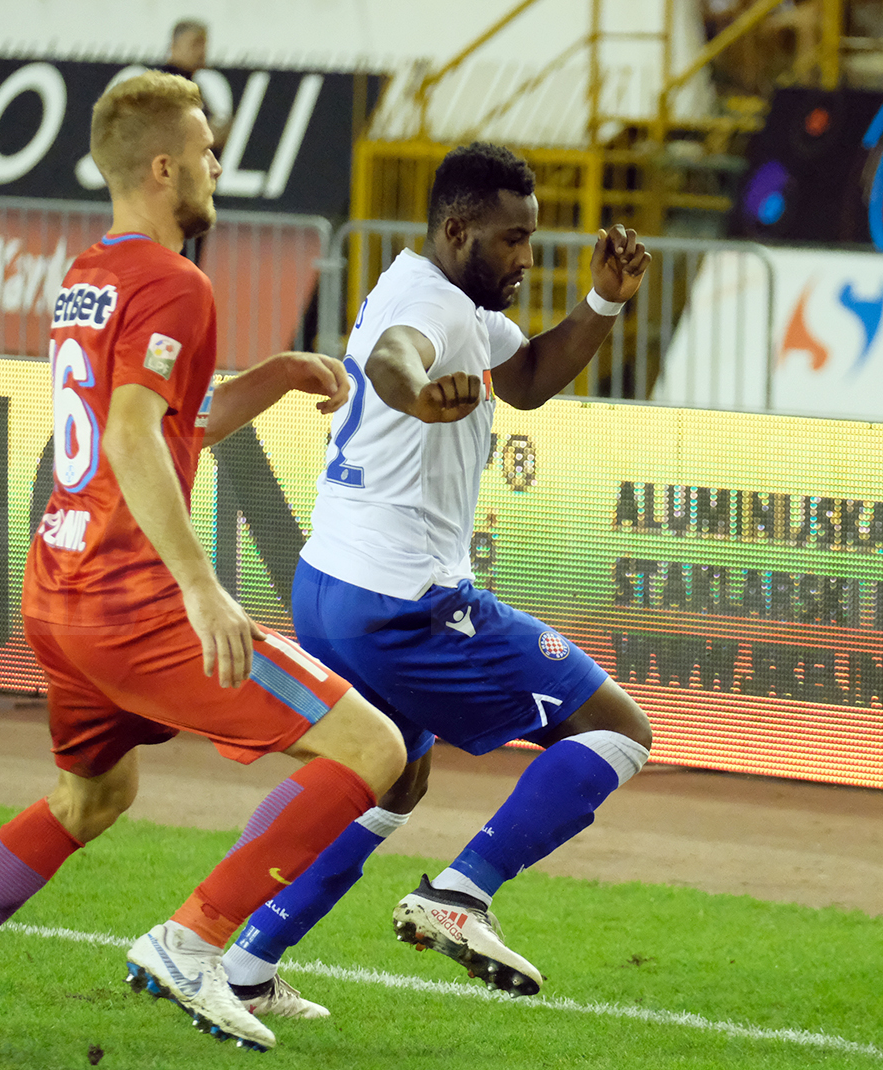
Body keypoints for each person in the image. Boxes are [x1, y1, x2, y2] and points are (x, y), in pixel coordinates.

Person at [0, 70, 405, 1052]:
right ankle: (193, 940)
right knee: (375, 749)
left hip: (59, 589)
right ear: (165, 166)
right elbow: (130, 437)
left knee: (93, 794)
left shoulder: (90, 274)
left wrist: (273, 378)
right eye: (204, 150)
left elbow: (163, 425)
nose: (215, 166)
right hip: (129, 599)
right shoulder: (175, 283)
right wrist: (201, 585)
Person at [216, 143, 655, 1006]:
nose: (527, 258)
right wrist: (415, 394)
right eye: (512, 239)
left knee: (391, 772)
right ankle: (460, 893)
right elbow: (394, 357)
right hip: (402, 599)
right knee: (617, 729)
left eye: (532, 238)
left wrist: (605, 299)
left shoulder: (442, 288)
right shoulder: (426, 304)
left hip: (330, 584)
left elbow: (525, 379)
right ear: (458, 231)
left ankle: (240, 960)